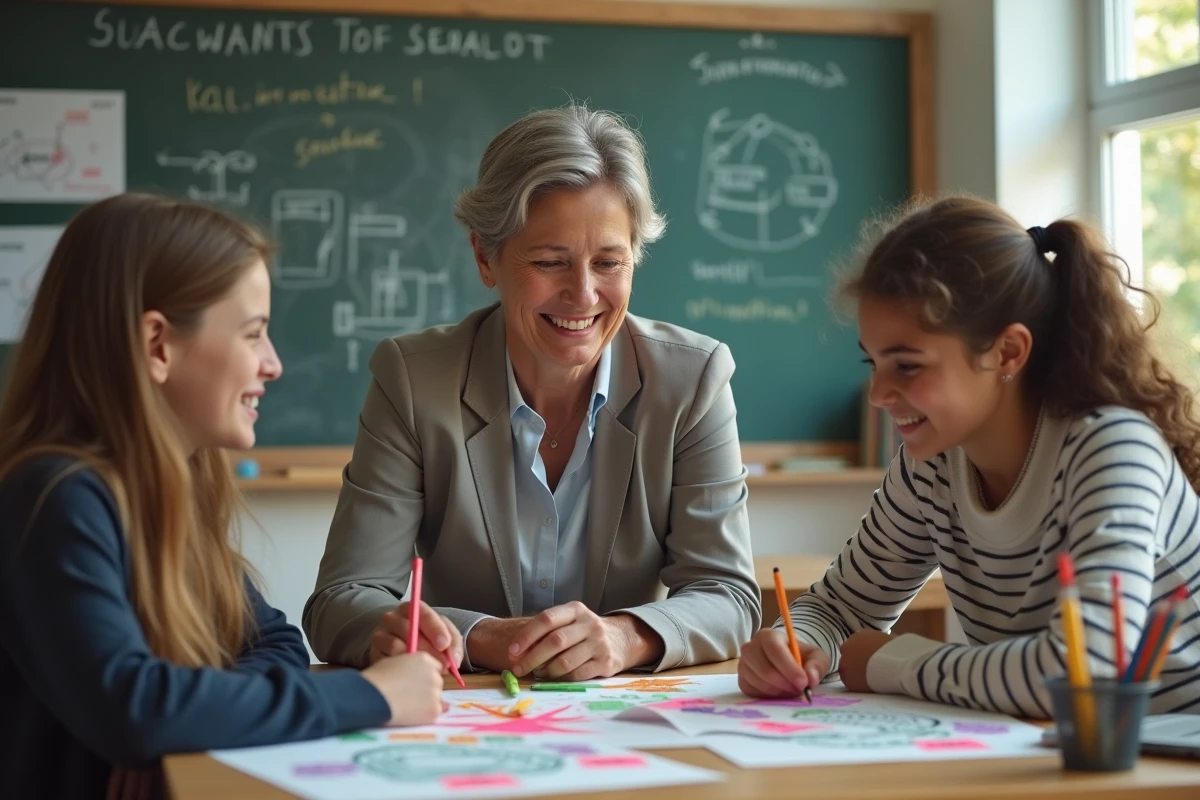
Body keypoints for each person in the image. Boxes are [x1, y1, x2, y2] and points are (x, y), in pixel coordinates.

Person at [0, 193, 452, 800]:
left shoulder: (170, 488)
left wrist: (189, 716)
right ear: (158, 345)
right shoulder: (53, 497)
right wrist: (370, 696)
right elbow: (132, 708)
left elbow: (275, 642)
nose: (273, 365)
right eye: (253, 334)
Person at [303, 104, 761, 680]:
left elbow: (729, 596)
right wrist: (484, 637)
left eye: (610, 262)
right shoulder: (413, 380)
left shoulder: (693, 380)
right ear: (483, 257)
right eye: (550, 262)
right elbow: (341, 602)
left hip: (624, 724)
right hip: (466, 724)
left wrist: (625, 637)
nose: (584, 294)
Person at [738, 196, 1200, 716]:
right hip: (1051, 757)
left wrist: (894, 661)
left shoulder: (1112, 449)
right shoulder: (931, 463)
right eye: (874, 362)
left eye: (907, 366)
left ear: (1007, 353)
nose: (878, 394)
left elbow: (1087, 669)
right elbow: (840, 606)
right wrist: (794, 643)